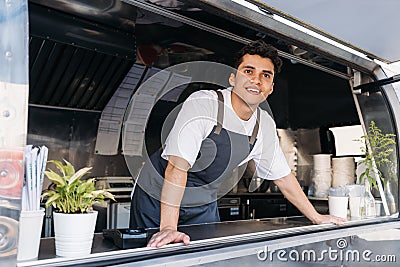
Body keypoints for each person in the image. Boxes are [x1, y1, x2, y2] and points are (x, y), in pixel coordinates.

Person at [130, 40, 346, 248]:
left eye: (265, 75)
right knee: (156, 256)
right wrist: (168, 227)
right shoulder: (204, 104)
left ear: (270, 88)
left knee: (204, 257)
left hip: (203, 201)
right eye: (248, 71)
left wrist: (317, 217)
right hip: (158, 197)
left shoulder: (263, 124)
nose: (256, 80)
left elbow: (282, 176)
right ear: (233, 79)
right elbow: (176, 167)